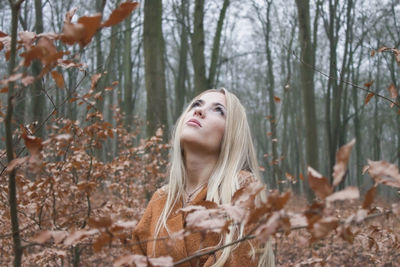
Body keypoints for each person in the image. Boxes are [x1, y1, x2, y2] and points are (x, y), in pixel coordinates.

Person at [132, 88, 275, 266]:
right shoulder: (161, 199)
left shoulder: (241, 192)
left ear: (231, 134)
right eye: (196, 104)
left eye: (218, 110)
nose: (198, 111)